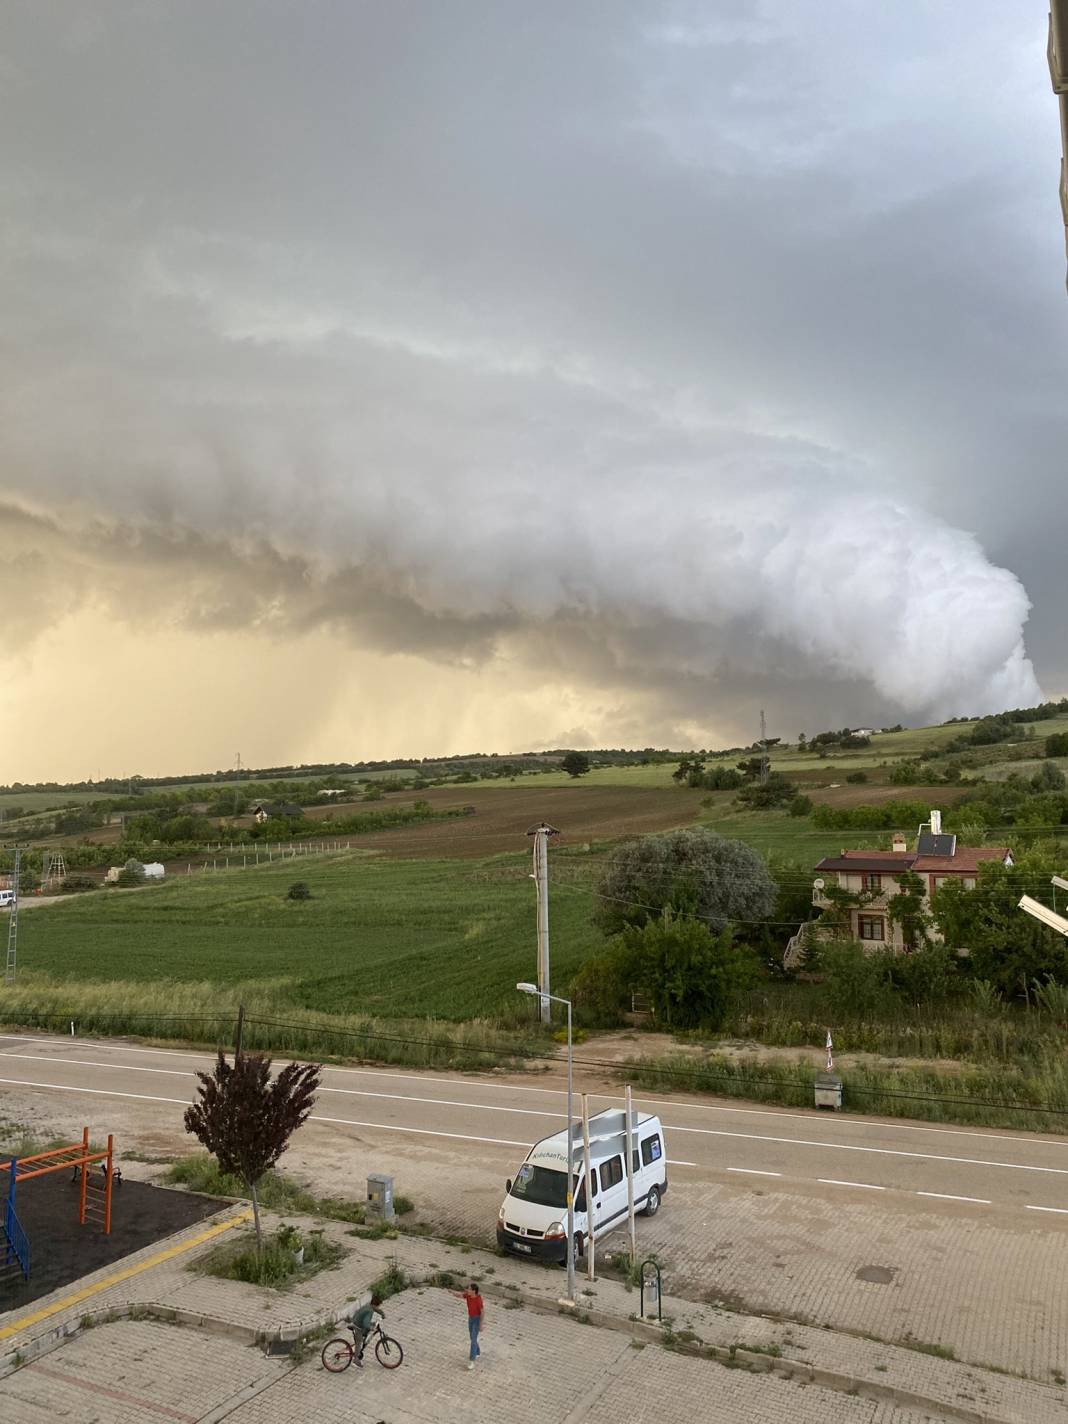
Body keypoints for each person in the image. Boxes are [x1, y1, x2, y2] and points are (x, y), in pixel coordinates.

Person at [452, 1282, 484, 1369]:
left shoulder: (478, 1300)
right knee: (472, 1337)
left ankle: (472, 1361)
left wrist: (481, 1324)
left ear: (474, 1291)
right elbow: (460, 1295)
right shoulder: (468, 1295)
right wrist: (453, 1292)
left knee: (473, 1340)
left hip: (477, 1320)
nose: (468, 1290)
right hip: (470, 1318)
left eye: (469, 1289)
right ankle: (477, 1352)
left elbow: (482, 1312)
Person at [348, 1292, 384, 1365]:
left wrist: (382, 1314)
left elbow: (376, 1309)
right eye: (379, 1306)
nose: (378, 1308)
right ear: (376, 1305)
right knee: (359, 1341)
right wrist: (371, 1328)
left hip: (356, 1321)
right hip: (357, 1326)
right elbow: (365, 1323)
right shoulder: (369, 1311)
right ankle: (356, 1359)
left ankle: (361, 1344)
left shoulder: (369, 1306)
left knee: (367, 1330)